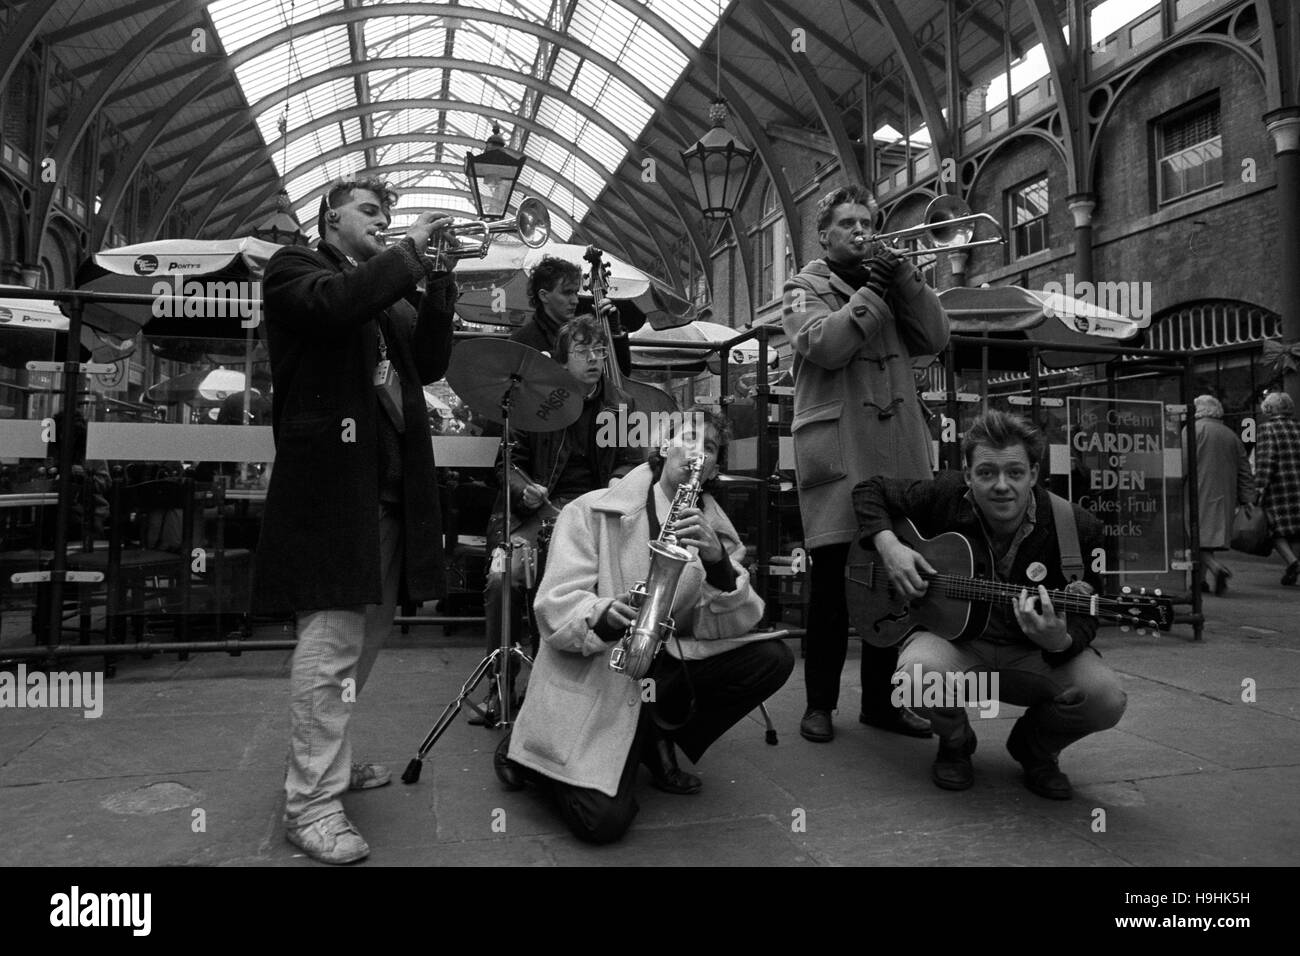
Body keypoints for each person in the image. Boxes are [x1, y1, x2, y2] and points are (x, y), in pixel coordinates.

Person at [254, 177, 458, 864]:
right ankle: (310, 805)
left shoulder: (388, 291)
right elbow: (335, 305)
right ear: (329, 217)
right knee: (333, 635)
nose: (383, 221)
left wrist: (440, 284)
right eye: (370, 212)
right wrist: (406, 255)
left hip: (389, 485)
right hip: (336, 488)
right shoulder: (296, 270)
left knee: (366, 637)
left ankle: (323, 767)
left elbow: (428, 363)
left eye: (388, 215)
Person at [504, 409, 793, 844]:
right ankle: (533, 755)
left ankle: (655, 738)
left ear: (713, 468)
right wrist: (602, 613)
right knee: (601, 824)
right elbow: (553, 606)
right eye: (688, 439)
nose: (698, 452)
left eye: (710, 448)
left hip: (666, 666)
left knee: (772, 659)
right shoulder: (591, 510)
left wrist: (716, 564)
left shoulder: (716, 531)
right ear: (663, 447)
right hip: (603, 669)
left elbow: (738, 622)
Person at [853, 411, 1127, 799]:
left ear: (1034, 474)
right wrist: (890, 546)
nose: (1001, 486)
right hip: (958, 646)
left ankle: (1035, 750)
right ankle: (956, 741)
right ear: (967, 475)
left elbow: (1088, 618)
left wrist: (1060, 642)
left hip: (1035, 657)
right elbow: (869, 490)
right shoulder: (945, 496)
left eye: (1015, 473)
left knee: (1105, 698)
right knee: (914, 677)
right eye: (986, 473)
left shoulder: (1079, 528)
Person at [782, 184, 950, 744]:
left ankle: (881, 703)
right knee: (831, 585)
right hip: (840, 452)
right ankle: (819, 705)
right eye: (848, 222)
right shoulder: (801, 288)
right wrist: (875, 290)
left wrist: (903, 279)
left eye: (869, 222)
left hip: (897, 452)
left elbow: (937, 336)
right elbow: (826, 346)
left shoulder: (894, 284)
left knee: (897, 586)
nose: (861, 230)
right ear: (824, 234)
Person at [471, 316, 639, 724]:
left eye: (599, 350)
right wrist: (525, 489)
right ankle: (501, 684)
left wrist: (613, 490)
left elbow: (632, 466)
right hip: (542, 512)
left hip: (595, 516)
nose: (594, 359)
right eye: (582, 351)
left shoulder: (621, 406)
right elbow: (508, 463)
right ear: (561, 361)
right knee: (502, 577)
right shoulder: (535, 401)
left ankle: (577, 688)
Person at [512, 255, 631, 376]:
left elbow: (622, 374)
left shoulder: (585, 331)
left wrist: (615, 332)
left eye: (575, 292)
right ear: (543, 295)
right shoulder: (522, 341)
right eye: (567, 293)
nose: (575, 300)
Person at [1184, 395, 1254, 594]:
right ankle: (1200, 581)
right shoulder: (1230, 435)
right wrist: (1248, 498)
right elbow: (1244, 468)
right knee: (1209, 537)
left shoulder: (1192, 431)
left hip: (1196, 493)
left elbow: (1180, 464)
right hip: (1224, 495)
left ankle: (1216, 569)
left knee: (1194, 536)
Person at [1254, 391, 1300, 585]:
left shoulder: (1267, 429)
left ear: (1269, 409)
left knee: (1273, 529)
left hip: (1278, 489)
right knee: (1296, 530)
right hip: (1297, 486)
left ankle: (1293, 562)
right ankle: (1293, 566)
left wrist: (1258, 492)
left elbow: (1266, 462)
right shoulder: (1298, 427)